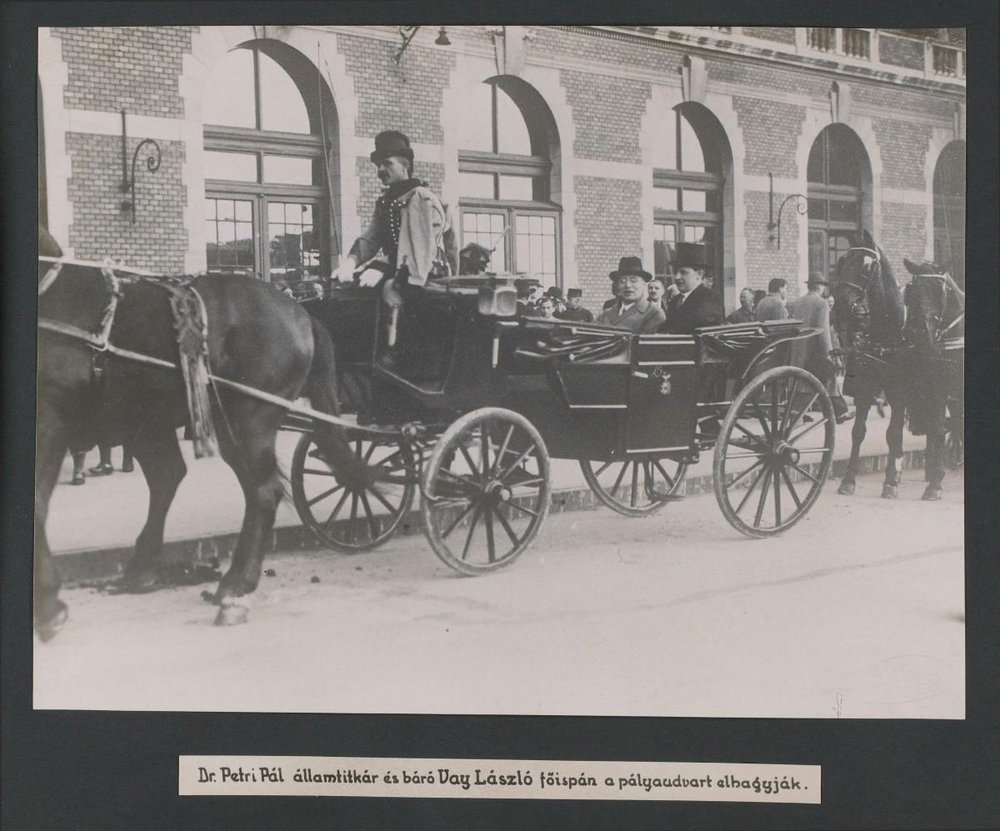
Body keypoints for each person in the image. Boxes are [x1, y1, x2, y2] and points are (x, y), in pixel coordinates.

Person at [331, 130, 453, 366]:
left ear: (405, 165)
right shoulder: (387, 201)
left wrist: (381, 268)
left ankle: (394, 355)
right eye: (378, 165)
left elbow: (417, 249)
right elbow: (371, 239)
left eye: (387, 163)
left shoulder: (420, 198)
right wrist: (350, 263)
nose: (380, 170)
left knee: (389, 289)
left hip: (424, 275)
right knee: (348, 291)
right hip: (401, 271)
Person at [789, 272, 853, 423]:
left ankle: (795, 411)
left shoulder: (797, 302)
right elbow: (822, 331)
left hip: (798, 349)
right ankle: (839, 412)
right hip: (814, 350)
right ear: (819, 287)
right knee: (829, 377)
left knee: (801, 382)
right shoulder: (821, 303)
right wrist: (829, 353)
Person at [659, 242, 725, 335]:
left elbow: (696, 328)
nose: (677, 277)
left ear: (699, 274)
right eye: (675, 272)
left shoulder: (710, 299)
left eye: (683, 272)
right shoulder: (675, 301)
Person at [596, 256, 665, 333]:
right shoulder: (605, 314)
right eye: (623, 281)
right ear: (617, 285)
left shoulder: (654, 313)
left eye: (633, 281)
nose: (627, 285)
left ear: (643, 284)